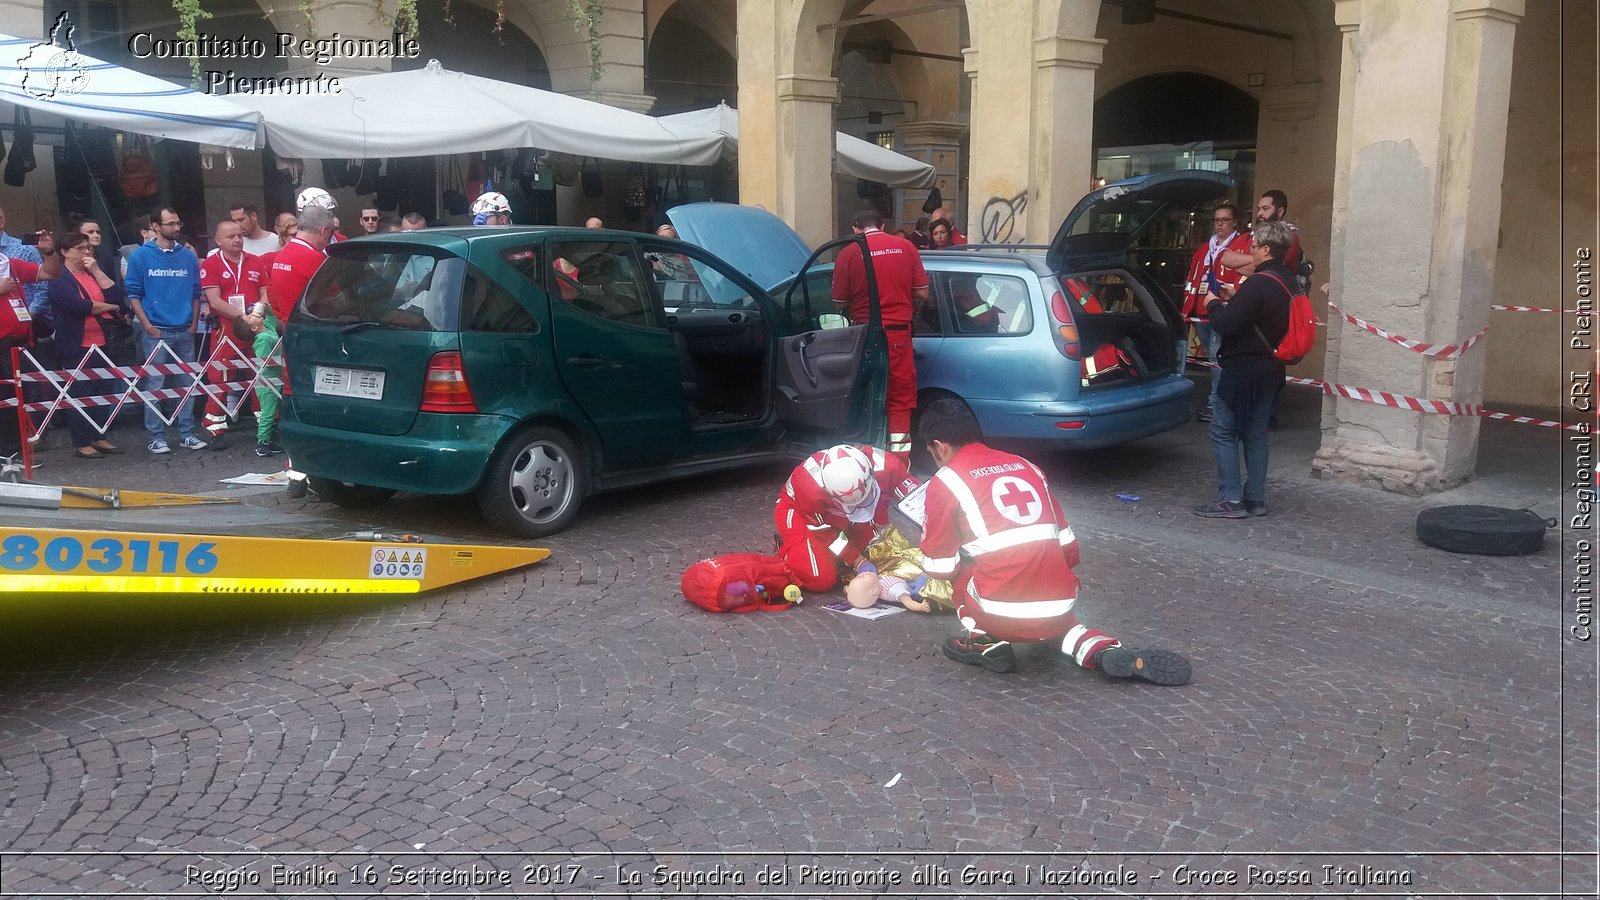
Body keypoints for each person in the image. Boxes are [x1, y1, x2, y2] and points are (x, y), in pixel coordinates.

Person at [917, 398, 1191, 682]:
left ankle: (985, 642)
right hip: (1059, 604)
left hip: (998, 610)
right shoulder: (1027, 466)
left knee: (964, 568)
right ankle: (1099, 649)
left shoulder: (945, 482)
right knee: (1057, 625)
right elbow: (1068, 548)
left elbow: (940, 567)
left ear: (939, 446)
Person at [1194, 219, 1295, 519]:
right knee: (1255, 434)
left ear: (1266, 249)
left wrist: (1213, 303)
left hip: (1242, 370)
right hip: (1272, 369)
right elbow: (1263, 315)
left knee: (1223, 431)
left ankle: (1230, 499)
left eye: (1253, 246)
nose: (1250, 251)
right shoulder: (1287, 281)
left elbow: (1226, 325)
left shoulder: (1259, 283)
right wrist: (1237, 299)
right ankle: (1255, 499)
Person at [831, 208, 928, 464]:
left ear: (855, 228)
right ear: (882, 226)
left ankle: (864, 458)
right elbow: (922, 292)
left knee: (862, 394)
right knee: (898, 398)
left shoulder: (848, 253)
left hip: (863, 336)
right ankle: (897, 463)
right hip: (898, 336)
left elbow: (839, 301)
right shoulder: (905, 247)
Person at [773, 444, 909, 592]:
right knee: (821, 579)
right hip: (799, 512)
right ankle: (788, 550)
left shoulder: (888, 466)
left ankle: (830, 555)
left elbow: (919, 500)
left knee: (874, 550)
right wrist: (857, 560)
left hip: (838, 514)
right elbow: (824, 533)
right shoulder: (809, 487)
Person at [125, 207, 206, 454]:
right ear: (156, 226)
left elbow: (195, 292)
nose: (177, 228)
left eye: (178, 222)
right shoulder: (140, 256)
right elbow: (133, 294)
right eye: (171, 223)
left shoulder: (187, 256)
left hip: (183, 328)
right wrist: (147, 325)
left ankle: (186, 433)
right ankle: (156, 435)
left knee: (187, 383)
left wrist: (193, 324)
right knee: (155, 384)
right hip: (157, 329)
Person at [46, 231, 128, 459]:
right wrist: (109, 308)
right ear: (64, 252)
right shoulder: (59, 279)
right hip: (77, 345)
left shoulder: (92, 273)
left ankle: (99, 435)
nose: (86, 252)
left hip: (103, 342)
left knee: (104, 390)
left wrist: (97, 271)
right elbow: (81, 307)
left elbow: (116, 295)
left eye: (87, 248)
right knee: (81, 393)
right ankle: (81, 441)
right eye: (80, 249)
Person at [198, 219, 269, 447]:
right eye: (231, 236)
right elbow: (214, 301)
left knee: (260, 376)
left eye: (240, 235)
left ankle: (266, 426)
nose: (237, 240)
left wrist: (257, 314)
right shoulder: (211, 264)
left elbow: (265, 293)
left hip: (255, 326)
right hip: (227, 330)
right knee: (221, 378)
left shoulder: (255, 262)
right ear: (218, 240)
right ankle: (214, 429)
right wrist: (241, 317)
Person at [1184, 203, 1251, 424]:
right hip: (1201, 311)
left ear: (1235, 222)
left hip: (1224, 310)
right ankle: (1226, 401)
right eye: (1216, 220)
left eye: (1225, 219)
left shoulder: (1243, 246)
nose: (1220, 224)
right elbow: (1192, 278)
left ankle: (1216, 405)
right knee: (1216, 359)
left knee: (1216, 358)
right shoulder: (1204, 248)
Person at [0, 231, 61, 460]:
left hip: (19, 343)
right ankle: (8, 453)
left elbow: (50, 273)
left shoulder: (11, 264)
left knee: (19, 399)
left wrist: (49, 252)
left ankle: (16, 452)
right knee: (5, 400)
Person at [231, 302, 283, 457]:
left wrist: (263, 306)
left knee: (274, 411)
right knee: (267, 413)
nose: (252, 314)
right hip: (267, 382)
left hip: (276, 379)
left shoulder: (268, 327)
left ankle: (271, 437)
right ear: (254, 328)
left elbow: (272, 315)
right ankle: (262, 442)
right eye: (249, 317)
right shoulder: (262, 339)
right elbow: (265, 361)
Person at [267, 206, 333, 324]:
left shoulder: (282, 254)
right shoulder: (314, 258)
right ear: (324, 231)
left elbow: (273, 299)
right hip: (311, 330)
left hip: (290, 328)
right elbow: (336, 299)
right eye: (329, 235)